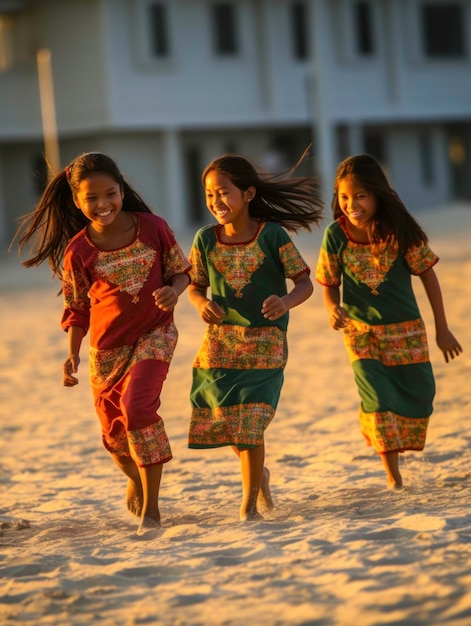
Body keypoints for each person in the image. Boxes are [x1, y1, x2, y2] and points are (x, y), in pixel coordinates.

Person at [13, 152, 191, 534]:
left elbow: (181, 271)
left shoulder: (154, 228)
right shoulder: (79, 250)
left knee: (137, 408)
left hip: (155, 335)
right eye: (91, 198)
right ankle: (134, 478)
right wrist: (71, 354)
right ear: (77, 202)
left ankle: (153, 511)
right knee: (115, 438)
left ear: (122, 192)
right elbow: (76, 307)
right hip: (106, 351)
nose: (102, 204)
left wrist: (173, 292)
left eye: (109, 193)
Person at [188, 150, 323, 520]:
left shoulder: (272, 235)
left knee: (250, 422)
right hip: (220, 345)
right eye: (210, 194)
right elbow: (195, 286)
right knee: (226, 420)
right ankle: (258, 472)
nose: (216, 201)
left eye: (224, 192)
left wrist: (285, 301)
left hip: (266, 342)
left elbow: (304, 283)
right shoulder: (204, 239)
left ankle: (249, 506)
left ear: (247, 195)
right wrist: (200, 303)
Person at [316, 154, 462, 489]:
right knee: (378, 401)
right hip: (361, 334)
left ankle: (396, 461)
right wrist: (332, 308)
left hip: (407, 330)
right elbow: (329, 283)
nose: (352, 204)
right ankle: (393, 477)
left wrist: (442, 328)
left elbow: (428, 276)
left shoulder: (398, 230)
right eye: (344, 197)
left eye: (361, 196)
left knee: (419, 396)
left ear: (378, 194)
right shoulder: (335, 235)